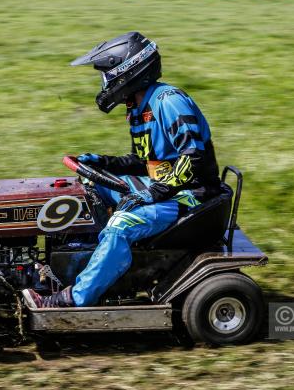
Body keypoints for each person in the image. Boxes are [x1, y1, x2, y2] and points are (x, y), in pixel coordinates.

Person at [23, 32, 221, 308]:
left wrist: (154, 193)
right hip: (166, 189)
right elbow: (142, 161)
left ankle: (74, 298)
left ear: (126, 70)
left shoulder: (169, 102)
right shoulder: (140, 106)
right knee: (89, 189)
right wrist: (101, 162)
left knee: (121, 226)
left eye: (106, 75)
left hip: (190, 196)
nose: (104, 83)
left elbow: (194, 159)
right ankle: (74, 264)